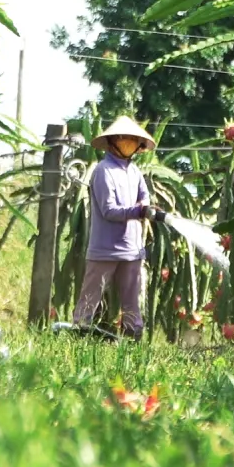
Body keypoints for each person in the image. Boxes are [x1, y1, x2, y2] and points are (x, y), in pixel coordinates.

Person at [74, 115, 157, 335]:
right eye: (123, 138)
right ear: (112, 142)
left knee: (132, 301)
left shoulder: (135, 172)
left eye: (132, 139)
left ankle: (133, 338)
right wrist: (138, 211)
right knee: (90, 298)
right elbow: (109, 210)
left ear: (138, 145)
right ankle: (79, 334)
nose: (127, 142)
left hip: (132, 249)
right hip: (104, 249)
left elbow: (144, 197)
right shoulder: (103, 171)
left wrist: (146, 207)